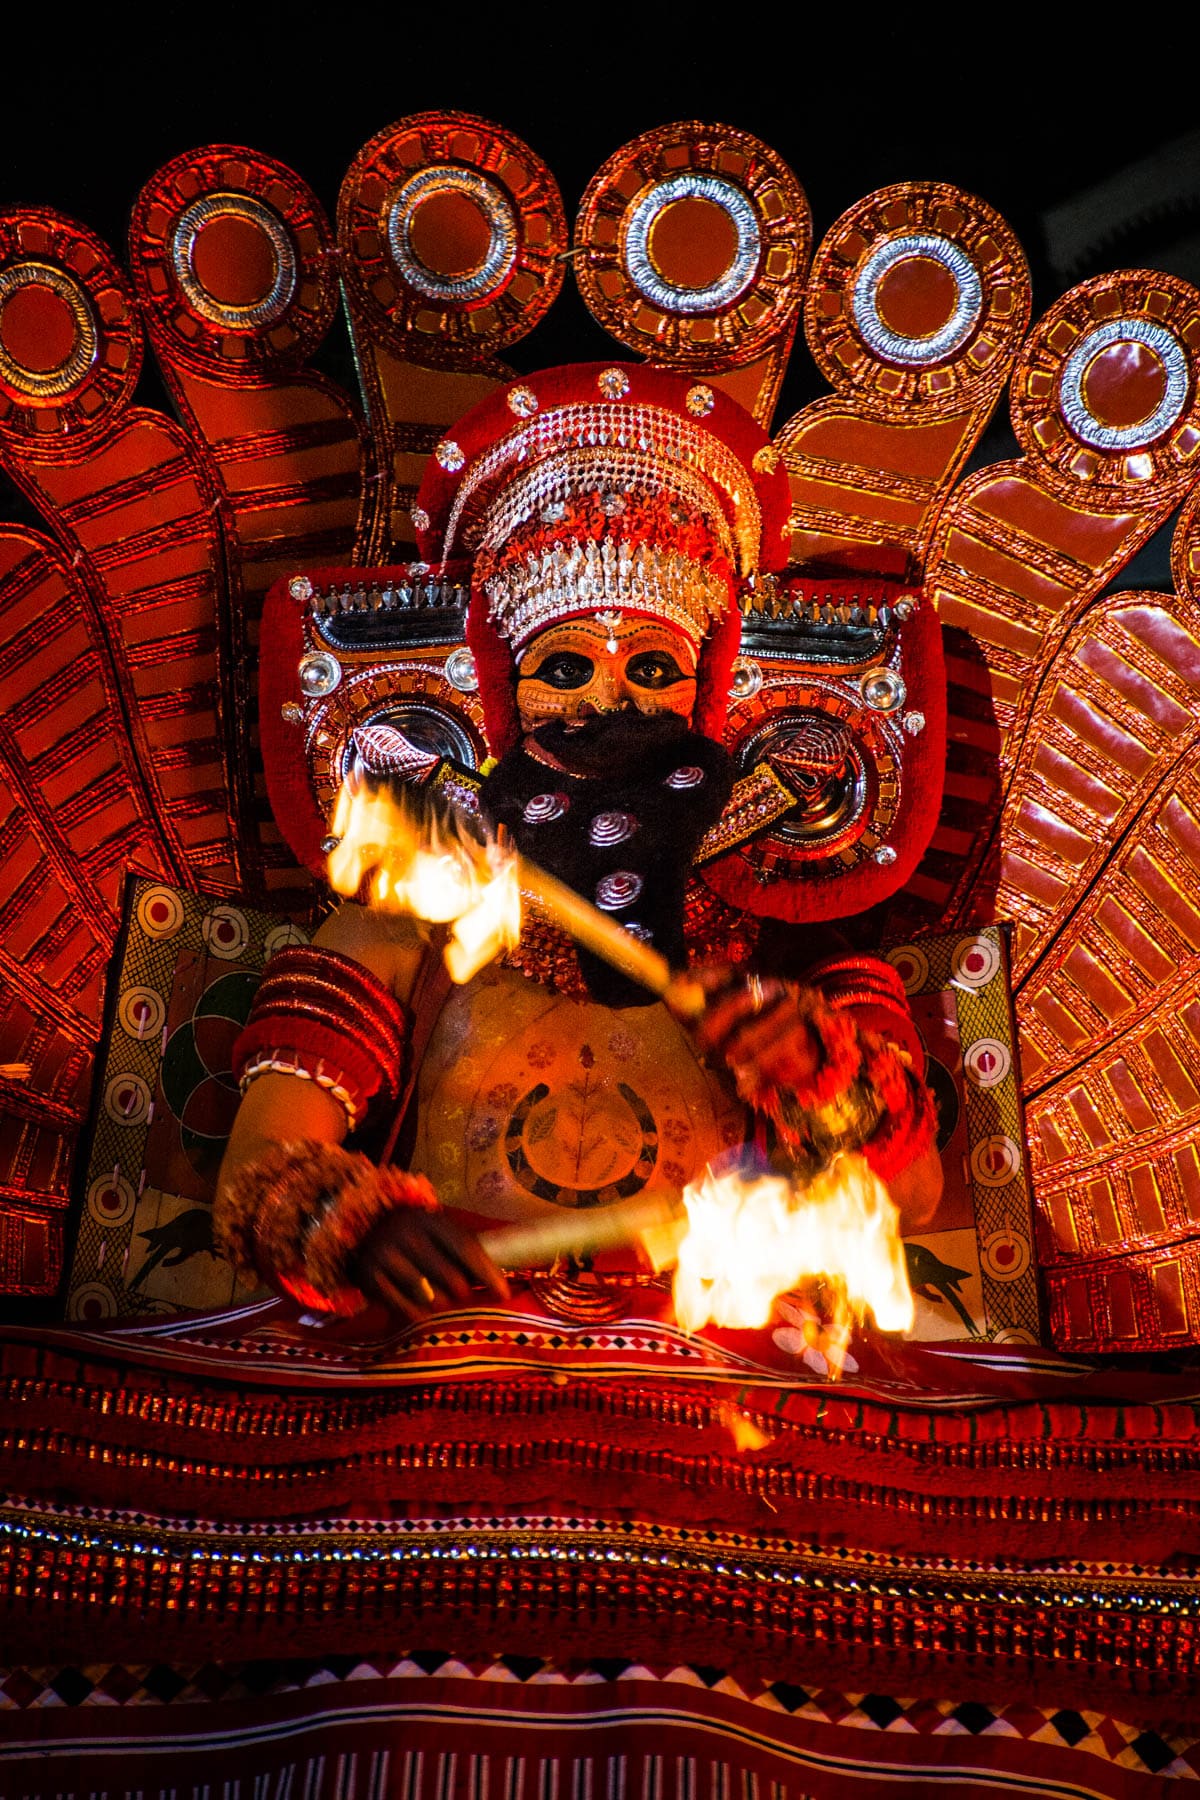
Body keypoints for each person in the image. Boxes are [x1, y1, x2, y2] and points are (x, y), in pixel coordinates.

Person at [215, 365, 942, 1325]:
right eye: (564, 669)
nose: (610, 708)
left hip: (718, 1371)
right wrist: (359, 1228)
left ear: (708, 696)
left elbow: (913, 1197)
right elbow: (256, 1172)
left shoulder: (785, 944)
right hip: (452, 1353)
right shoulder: (405, 924)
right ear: (501, 695)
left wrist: (821, 1073)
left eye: (653, 670)